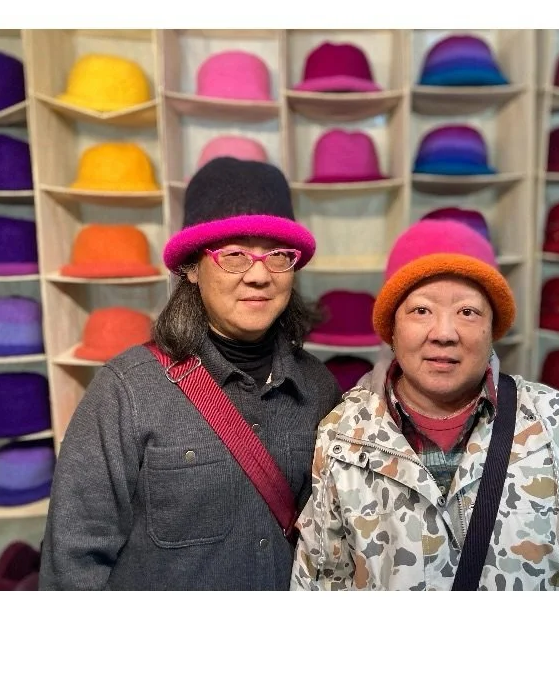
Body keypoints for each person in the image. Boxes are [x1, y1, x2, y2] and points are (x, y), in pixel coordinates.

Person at [290, 218, 559, 590]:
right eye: (421, 310)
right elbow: (321, 579)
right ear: (392, 328)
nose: (444, 333)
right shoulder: (343, 436)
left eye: (468, 312)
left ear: (493, 326)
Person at [40, 157, 341, 590]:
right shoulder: (127, 390)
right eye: (234, 255)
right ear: (192, 268)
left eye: (277, 255)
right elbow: (72, 560)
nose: (259, 275)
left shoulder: (318, 388)